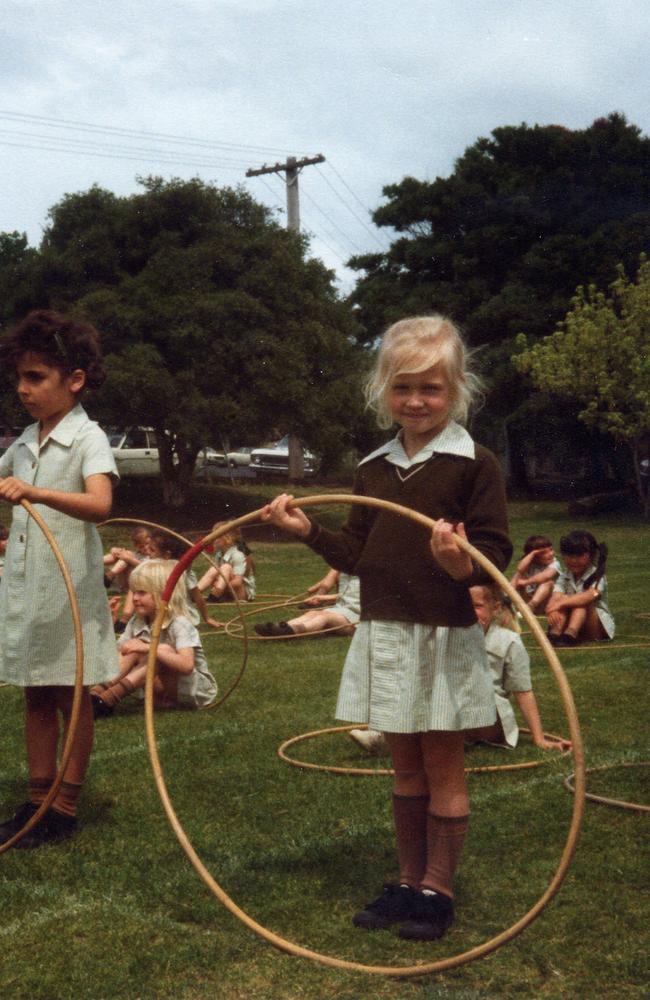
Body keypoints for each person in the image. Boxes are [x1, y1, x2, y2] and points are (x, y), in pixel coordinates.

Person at [262, 314, 512, 941]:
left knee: (443, 765)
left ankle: (439, 889)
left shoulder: (472, 463)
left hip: (442, 635)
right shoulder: (372, 468)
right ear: (383, 391)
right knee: (404, 769)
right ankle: (408, 880)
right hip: (386, 632)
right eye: (402, 388)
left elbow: (492, 552)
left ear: (455, 391)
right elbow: (355, 552)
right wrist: (305, 532)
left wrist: (458, 560)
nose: (416, 401)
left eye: (430, 388)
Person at [0, 309, 119, 848]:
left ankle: (64, 806)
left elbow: (100, 504)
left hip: (69, 589)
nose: (23, 389)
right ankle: (36, 798)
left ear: (74, 380)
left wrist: (38, 493)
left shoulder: (88, 437)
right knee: (34, 693)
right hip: (28, 589)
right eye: (19, 378)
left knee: (71, 694)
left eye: (36, 377)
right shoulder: (25, 440)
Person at [90, 559, 217, 717]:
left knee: (160, 650)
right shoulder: (137, 621)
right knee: (133, 646)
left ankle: (107, 700)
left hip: (191, 690)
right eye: (133, 592)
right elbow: (117, 653)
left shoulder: (180, 623)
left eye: (141, 592)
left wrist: (147, 648)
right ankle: (95, 696)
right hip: (161, 686)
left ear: (162, 595)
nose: (135, 598)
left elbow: (186, 665)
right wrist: (109, 623)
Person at [465, 584, 570, 750]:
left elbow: (523, 692)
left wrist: (539, 739)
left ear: (495, 608)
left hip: (489, 715)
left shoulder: (509, 641)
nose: (469, 612)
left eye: (477, 606)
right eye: (464, 605)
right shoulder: (450, 637)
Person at [546, 530, 614, 647]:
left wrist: (560, 603)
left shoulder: (597, 575)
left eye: (579, 556)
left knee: (580, 602)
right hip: (579, 625)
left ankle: (570, 634)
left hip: (596, 628)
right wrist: (552, 608)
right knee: (562, 599)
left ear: (591, 555)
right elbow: (556, 595)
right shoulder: (565, 576)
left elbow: (589, 595)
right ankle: (555, 633)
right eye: (569, 556)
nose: (573, 560)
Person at [143, 529, 222, 631]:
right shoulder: (151, 569)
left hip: (182, 617)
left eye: (152, 550)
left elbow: (198, 597)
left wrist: (207, 618)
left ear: (167, 555)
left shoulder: (183, 573)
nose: (148, 553)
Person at [254, 569, 359, 637]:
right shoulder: (346, 571)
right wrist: (319, 593)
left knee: (325, 617)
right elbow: (341, 591)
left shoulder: (369, 574)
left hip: (357, 619)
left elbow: (355, 597)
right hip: (341, 610)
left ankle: (293, 631)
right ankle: (282, 627)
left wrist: (323, 597)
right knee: (313, 613)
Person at [197, 522, 256, 603]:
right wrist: (215, 582)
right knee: (214, 569)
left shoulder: (237, 555)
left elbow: (238, 582)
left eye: (217, 537)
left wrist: (219, 586)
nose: (213, 539)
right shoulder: (219, 554)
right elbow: (217, 575)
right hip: (227, 591)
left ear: (228, 538)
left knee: (226, 567)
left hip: (241, 594)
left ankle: (216, 593)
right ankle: (196, 592)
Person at [510, 534, 560, 614]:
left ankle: (529, 607)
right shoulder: (530, 562)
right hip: (527, 599)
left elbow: (546, 576)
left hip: (545, 604)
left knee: (548, 583)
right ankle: (505, 602)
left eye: (551, 550)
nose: (551, 554)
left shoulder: (555, 563)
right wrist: (532, 553)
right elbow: (519, 569)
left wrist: (526, 582)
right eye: (544, 552)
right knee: (517, 576)